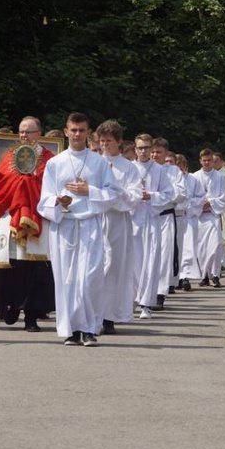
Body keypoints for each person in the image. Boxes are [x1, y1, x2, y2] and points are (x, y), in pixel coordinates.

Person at [37, 112, 118, 346]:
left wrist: (90, 191)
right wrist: (58, 201)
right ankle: (70, 330)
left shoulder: (99, 163)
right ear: (65, 132)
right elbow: (44, 199)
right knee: (66, 279)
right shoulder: (55, 163)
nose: (77, 134)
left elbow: (112, 194)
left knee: (90, 277)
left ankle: (90, 328)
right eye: (73, 130)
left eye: (82, 130)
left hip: (90, 224)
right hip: (64, 226)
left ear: (88, 132)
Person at [0, 116, 56, 332]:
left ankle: (31, 317)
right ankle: (12, 305)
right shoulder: (10, 156)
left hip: (37, 220)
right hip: (12, 218)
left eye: (28, 132)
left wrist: (29, 183)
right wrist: (18, 184)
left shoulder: (48, 159)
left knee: (35, 270)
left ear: (39, 133)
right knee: (9, 268)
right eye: (21, 132)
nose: (24, 136)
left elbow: (52, 188)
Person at [96, 120, 142, 334]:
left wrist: (115, 194)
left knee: (114, 268)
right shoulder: (94, 162)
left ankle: (109, 316)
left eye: (109, 141)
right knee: (95, 268)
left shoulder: (128, 167)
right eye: (102, 141)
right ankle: (92, 314)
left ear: (119, 142)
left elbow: (134, 196)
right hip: (95, 219)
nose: (105, 145)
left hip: (117, 221)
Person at [131, 134, 174, 319]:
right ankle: (130, 299)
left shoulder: (159, 170)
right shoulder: (129, 168)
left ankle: (147, 303)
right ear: (135, 149)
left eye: (146, 148)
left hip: (150, 218)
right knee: (132, 263)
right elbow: (121, 192)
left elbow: (169, 193)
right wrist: (134, 196)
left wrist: (152, 196)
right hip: (132, 219)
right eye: (140, 148)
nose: (143, 151)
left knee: (150, 261)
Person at [151, 137, 185, 309]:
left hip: (165, 217)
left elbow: (180, 194)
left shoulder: (174, 172)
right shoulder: (144, 168)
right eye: (153, 151)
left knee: (164, 256)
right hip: (146, 218)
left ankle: (159, 294)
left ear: (166, 153)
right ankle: (142, 294)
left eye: (159, 152)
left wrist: (161, 195)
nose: (155, 155)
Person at [193, 149, 225, 286]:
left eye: (210, 160)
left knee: (215, 246)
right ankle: (204, 275)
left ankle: (215, 275)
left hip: (213, 216)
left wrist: (211, 202)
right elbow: (190, 197)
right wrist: (199, 204)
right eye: (205, 161)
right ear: (200, 161)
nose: (207, 163)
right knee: (202, 248)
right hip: (200, 217)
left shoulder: (220, 177)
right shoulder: (194, 177)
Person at [175, 153, 204, 290]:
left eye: (180, 168)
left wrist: (190, 204)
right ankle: (176, 277)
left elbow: (200, 197)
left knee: (188, 249)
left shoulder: (193, 180)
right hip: (176, 217)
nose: (179, 171)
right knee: (177, 248)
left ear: (185, 166)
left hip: (189, 218)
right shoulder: (171, 179)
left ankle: (185, 276)